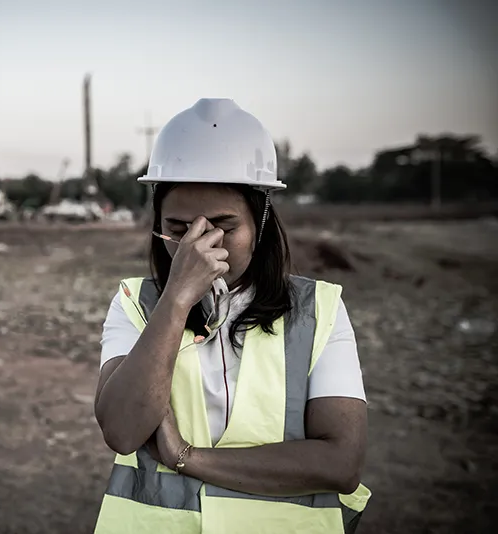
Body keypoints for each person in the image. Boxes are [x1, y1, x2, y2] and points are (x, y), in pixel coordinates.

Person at [93, 98, 371, 533]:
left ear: (260, 220)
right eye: (180, 230)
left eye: (223, 227)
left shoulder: (320, 310)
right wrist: (177, 299)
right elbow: (123, 430)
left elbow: (340, 462)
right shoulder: (135, 302)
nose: (200, 247)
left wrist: (186, 456)